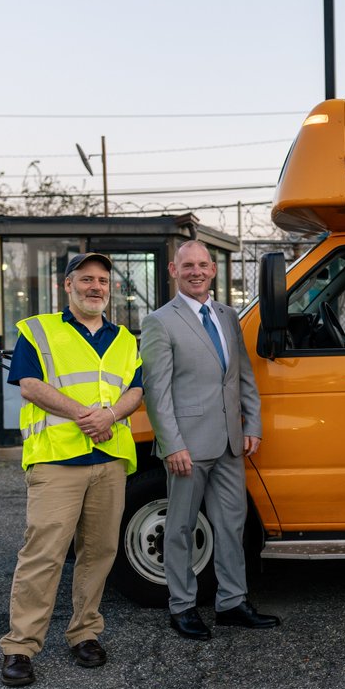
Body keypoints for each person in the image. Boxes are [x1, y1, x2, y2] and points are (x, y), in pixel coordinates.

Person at [0, 252, 144, 687]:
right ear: (68, 285)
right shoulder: (39, 331)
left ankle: (84, 633)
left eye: (102, 280)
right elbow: (30, 385)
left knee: (99, 553)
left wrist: (111, 415)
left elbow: (136, 390)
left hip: (109, 461)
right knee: (42, 555)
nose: (95, 286)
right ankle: (20, 647)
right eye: (86, 279)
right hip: (56, 461)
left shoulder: (124, 339)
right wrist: (88, 414)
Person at [141, 240, 279, 641]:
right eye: (188, 266)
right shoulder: (160, 322)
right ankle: (182, 607)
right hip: (187, 447)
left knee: (232, 526)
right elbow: (157, 391)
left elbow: (242, 377)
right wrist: (172, 445)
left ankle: (232, 602)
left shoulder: (227, 315)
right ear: (173, 270)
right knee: (180, 528)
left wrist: (251, 424)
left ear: (213, 270)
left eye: (203, 265)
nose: (196, 271)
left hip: (230, 444)